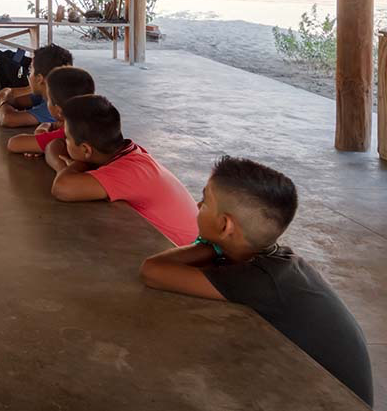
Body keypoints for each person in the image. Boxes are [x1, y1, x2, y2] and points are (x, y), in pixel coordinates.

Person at [140, 155, 372, 406]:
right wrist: (218, 245)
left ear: (226, 225)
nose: (197, 205)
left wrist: (211, 245)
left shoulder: (258, 280)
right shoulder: (274, 260)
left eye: (205, 201)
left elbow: (153, 271)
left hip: (336, 401)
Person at [47, 94, 198, 246]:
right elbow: (53, 146)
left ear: (86, 150)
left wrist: (74, 166)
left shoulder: (128, 171)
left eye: (67, 137)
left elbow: (62, 188)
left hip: (185, 253)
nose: (64, 140)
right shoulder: (127, 152)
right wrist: (68, 168)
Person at [6, 65, 95, 155]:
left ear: (59, 111)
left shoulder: (69, 133)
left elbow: (14, 143)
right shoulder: (89, 124)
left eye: (48, 100)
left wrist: (42, 128)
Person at [0, 44, 73, 128]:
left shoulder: (56, 105)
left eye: (30, 70)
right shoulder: (48, 94)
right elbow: (16, 101)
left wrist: (2, 101)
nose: (29, 75)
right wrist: (6, 95)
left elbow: (8, 119)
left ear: (39, 78)